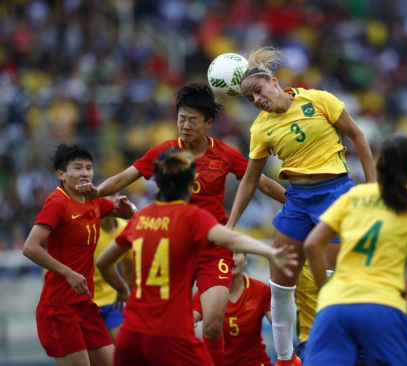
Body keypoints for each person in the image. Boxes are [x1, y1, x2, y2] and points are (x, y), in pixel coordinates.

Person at [77, 82, 286, 366]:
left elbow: (260, 182)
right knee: (171, 324)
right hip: (174, 246)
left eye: (192, 120)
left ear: (209, 123)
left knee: (213, 324)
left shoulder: (225, 154)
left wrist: (293, 201)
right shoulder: (165, 153)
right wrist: (95, 192)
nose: (184, 126)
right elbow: (123, 178)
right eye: (181, 118)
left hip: (213, 246)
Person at [226, 46, 377, 366]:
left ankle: (351, 345)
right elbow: (250, 181)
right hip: (297, 201)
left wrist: (373, 188)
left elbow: (359, 137)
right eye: (249, 99)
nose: (256, 100)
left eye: (257, 91)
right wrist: (230, 224)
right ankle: (284, 358)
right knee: (279, 283)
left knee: (332, 280)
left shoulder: (319, 99)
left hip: (335, 195)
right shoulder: (260, 128)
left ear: (273, 80)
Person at [95, 149, 296, 366]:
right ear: (191, 184)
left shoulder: (141, 217)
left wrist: (122, 289)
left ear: (159, 185)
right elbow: (229, 240)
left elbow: (103, 262)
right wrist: (270, 252)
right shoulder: (191, 216)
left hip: (131, 333)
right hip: (170, 332)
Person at [303, 134, 407, 366]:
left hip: (335, 306)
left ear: (380, 166)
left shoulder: (354, 196)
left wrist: (325, 290)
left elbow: (311, 244)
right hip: (383, 307)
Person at [22, 143, 136, 366]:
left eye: (88, 167)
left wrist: (126, 209)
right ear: (61, 174)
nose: (85, 173)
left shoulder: (92, 199)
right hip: (58, 309)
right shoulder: (56, 203)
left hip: (85, 305)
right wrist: (68, 273)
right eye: (77, 168)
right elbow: (30, 247)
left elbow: (129, 212)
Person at [193, 252, 273, 366]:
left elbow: (277, 323)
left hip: (255, 361)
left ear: (245, 259)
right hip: (218, 362)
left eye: (237, 253)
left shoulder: (261, 290)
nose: (232, 258)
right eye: (227, 253)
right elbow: (190, 318)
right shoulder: (206, 293)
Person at [93, 207, 134, 341]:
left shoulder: (125, 228)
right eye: (108, 195)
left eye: (115, 194)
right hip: (87, 302)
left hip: (114, 300)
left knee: (124, 350)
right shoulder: (87, 228)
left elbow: (129, 269)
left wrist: (131, 297)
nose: (113, 199)